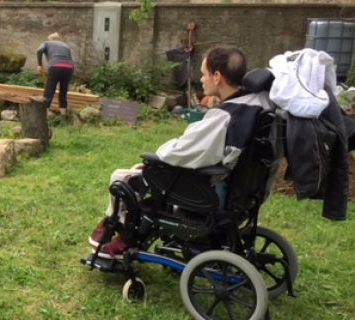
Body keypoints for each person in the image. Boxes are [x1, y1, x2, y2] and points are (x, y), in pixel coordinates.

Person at [89, 45, 263, 259]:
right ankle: (115, 226)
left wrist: (158, 157)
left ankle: (121, 233)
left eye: (203, 73)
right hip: (236, 191)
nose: (201, 79)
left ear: (217, 76)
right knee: (141, 172)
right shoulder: (254, 105)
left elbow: (179, 152)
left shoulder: (223, 118)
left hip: (207, 190)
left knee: (123, 177)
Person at [36, 32, 74, 115]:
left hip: (55, 67)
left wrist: (39, 65)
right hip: (69, 68)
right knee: (63, 92)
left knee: (49, 91)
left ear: (50, 39)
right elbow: (70, 59)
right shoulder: (66, 46)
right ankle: (63, 116)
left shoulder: (47, 43)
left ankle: (44, 115)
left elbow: (39, 51)